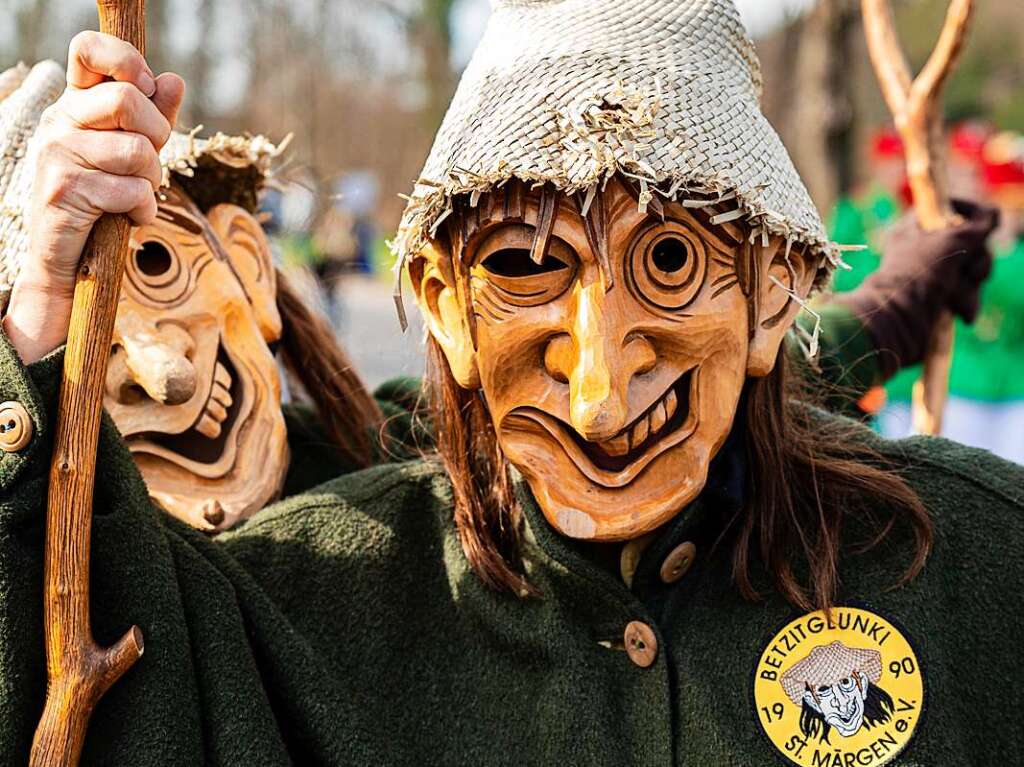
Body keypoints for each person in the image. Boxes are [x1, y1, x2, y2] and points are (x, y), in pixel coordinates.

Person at [0, 5, 1019, 767]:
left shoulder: (974, 564)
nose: (599, 402)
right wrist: (41, 323)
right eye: (524, 268)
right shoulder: (293, 600)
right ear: (443, 302)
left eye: (669, 260)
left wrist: (885, 311)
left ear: (772, 293)